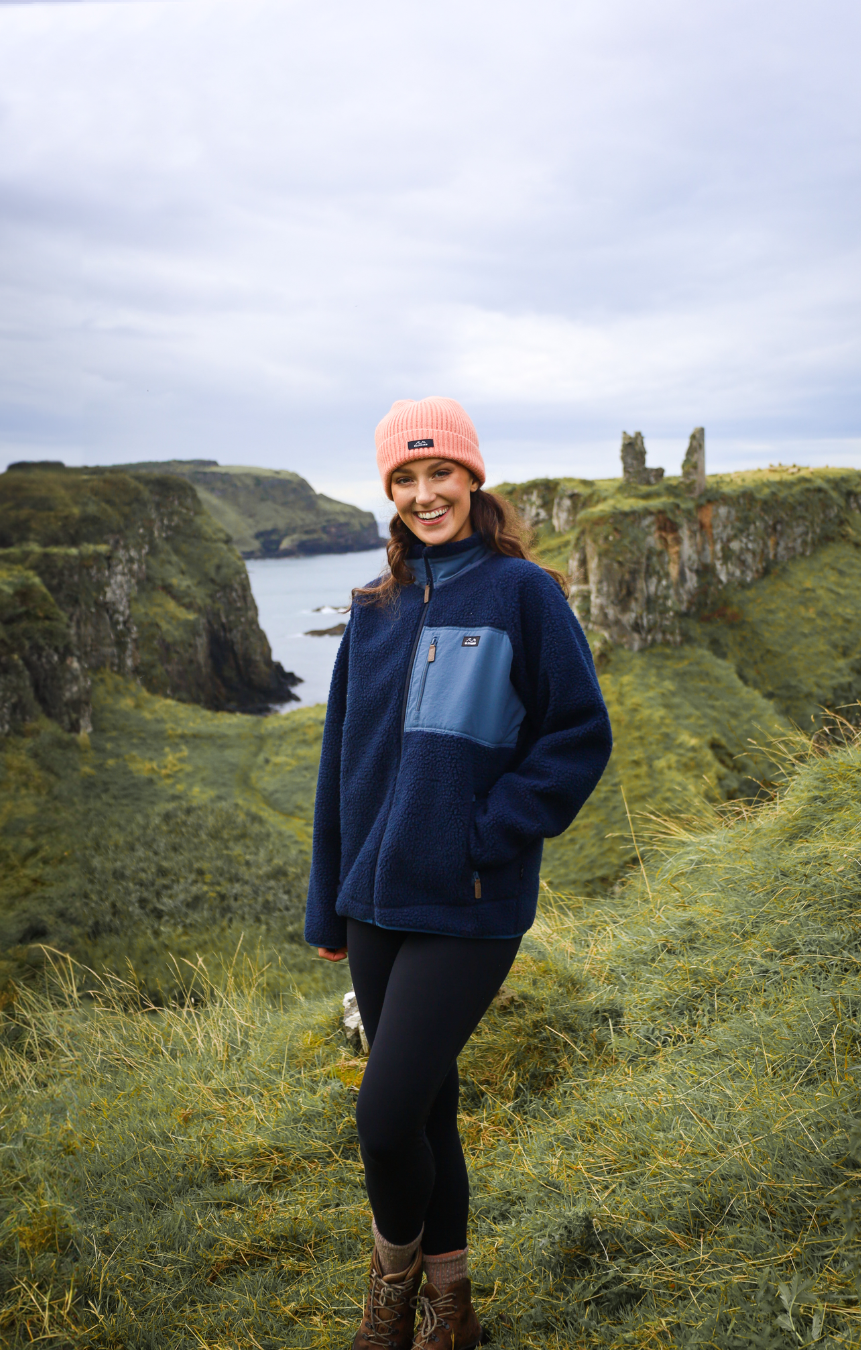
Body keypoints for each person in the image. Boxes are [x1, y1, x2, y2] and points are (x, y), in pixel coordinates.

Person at [305, 396, 612, 1350]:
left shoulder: (524, 595)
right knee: (428, 1109)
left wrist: (487, 833)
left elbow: (577, 736)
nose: (425, 493)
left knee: (385, 1117)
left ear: (473, 479)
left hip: (469, 901)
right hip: (375, 901)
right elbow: (339, 770)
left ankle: (389, 1301)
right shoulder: (373, 609)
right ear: (390, 493)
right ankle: (454, 1311)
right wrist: (330, 903)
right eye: (405, 478)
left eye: (440, 474)